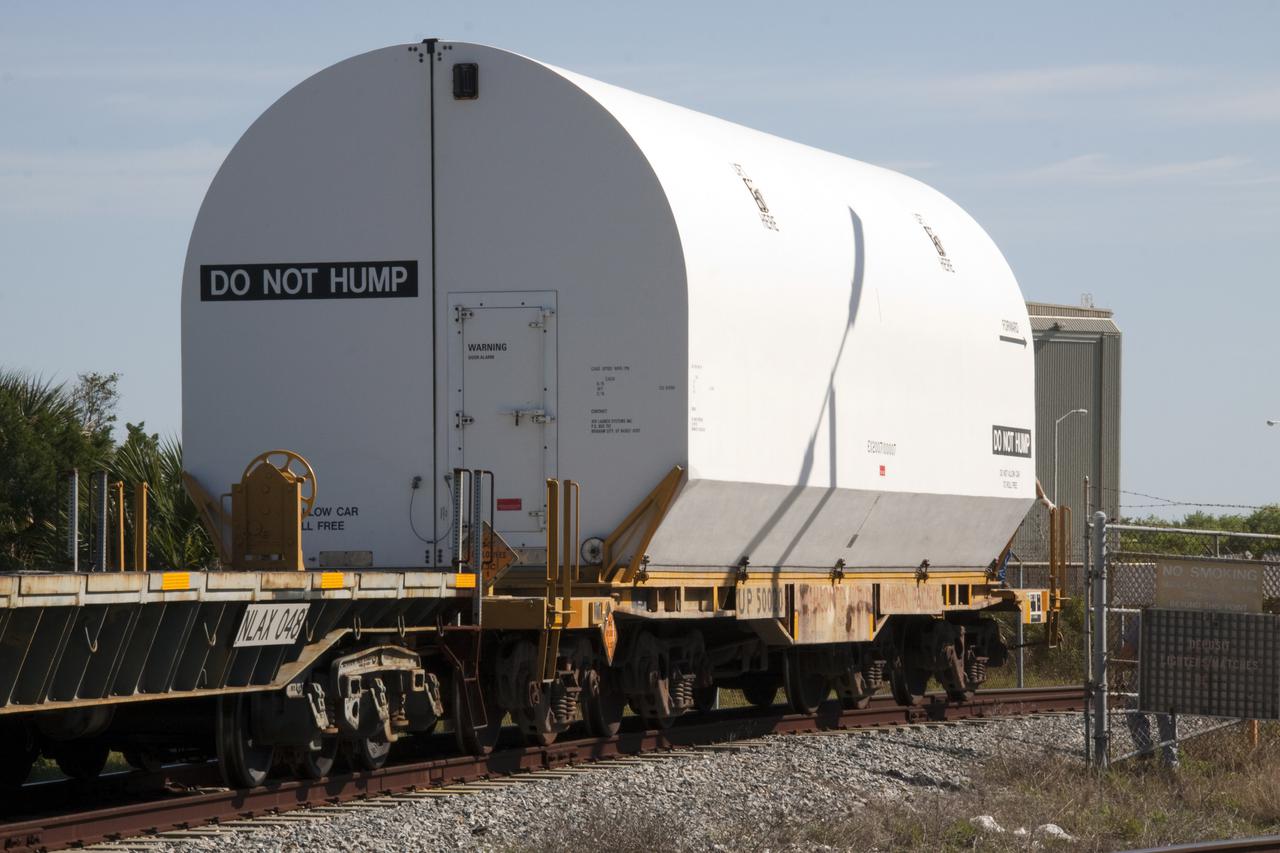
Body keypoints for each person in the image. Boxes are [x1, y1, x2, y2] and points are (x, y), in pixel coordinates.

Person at [1118, 609, 1179, 767]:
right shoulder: (1177, 618)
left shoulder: (1143, 618)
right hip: (1170, 675)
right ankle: (1170, 759)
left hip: (1144, 674)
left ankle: (1144, 750)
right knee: (1167, 716)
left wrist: (1119, 665)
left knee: (1133, 708)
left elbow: (1128, 650)